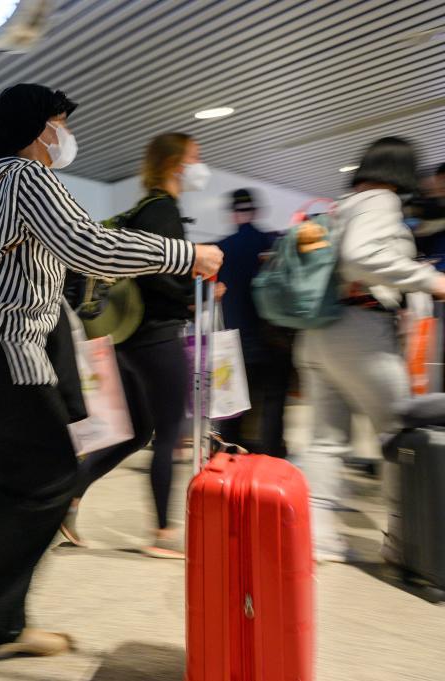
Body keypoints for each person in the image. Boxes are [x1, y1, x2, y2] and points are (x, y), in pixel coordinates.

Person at [0, 85, 223, 667]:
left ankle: (2, 627)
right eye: (59, 123)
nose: (65, 134)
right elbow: (89, 247)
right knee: (50, 480)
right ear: (38, 131)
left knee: (6, 487)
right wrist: (188, 255)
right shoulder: (29, 178)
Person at [61, 132, 215, 559]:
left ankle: (67, 498)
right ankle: (163, 533)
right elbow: (161, 274)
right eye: (195, 158)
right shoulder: (162, 210)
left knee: (135, 432)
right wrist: (196, 289)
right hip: (157, 336)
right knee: (169, 433)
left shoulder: (143, 210)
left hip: (128, 339)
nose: (200, 166)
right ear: (175, 165)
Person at [295, 137, 445, 563]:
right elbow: (360, 257)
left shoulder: (342, 205)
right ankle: (405, 541)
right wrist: (429, 280)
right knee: (401, 433)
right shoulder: (382, 200)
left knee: (326, 441)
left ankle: (317, 538)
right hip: (361, 333)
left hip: (319, 333)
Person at [215, 189, 292, 458]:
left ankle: (227, 462)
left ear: (232, 214)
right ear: (256, 211)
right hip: (274, 340)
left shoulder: (221, 250)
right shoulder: (273, 243)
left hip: (236, 344)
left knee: (232, 410)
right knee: (273, 405)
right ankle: (272, 460)